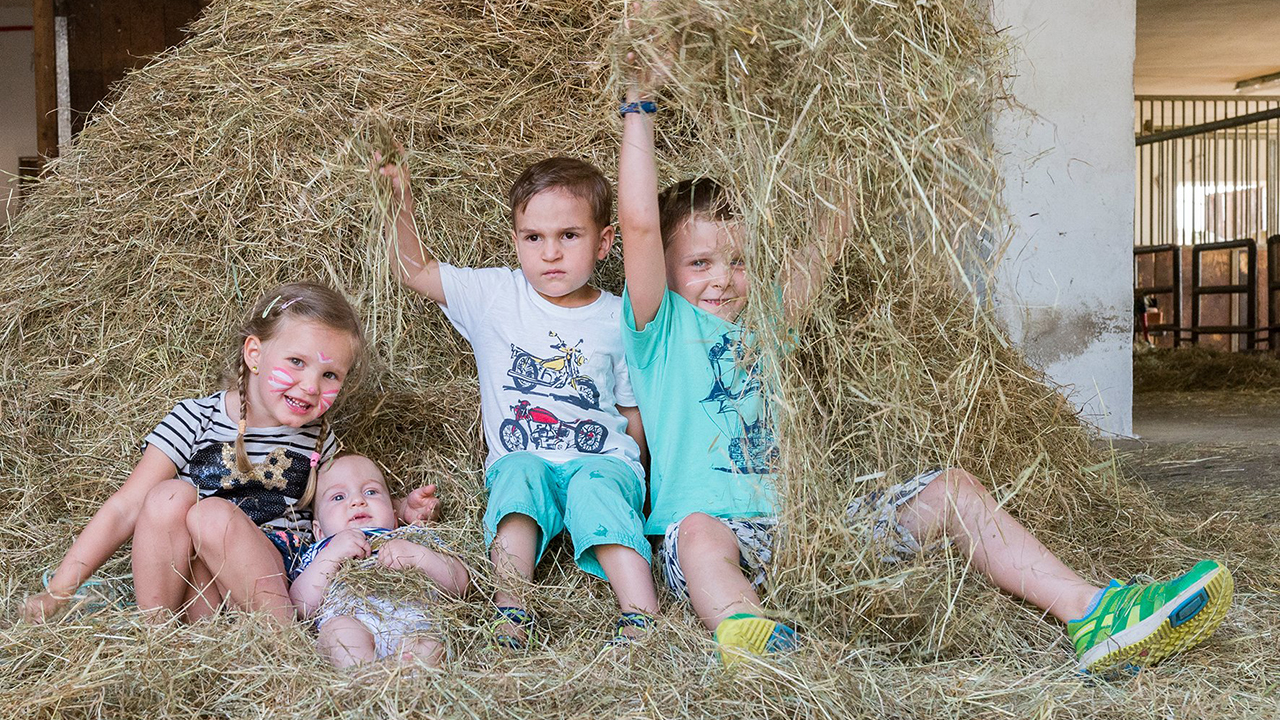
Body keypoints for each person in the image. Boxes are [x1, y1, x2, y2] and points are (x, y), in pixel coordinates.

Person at [615, 63, 1233, 672]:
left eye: (739, 260)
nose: (722, 277)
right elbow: (640, 225)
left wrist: (846, 116)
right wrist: (638, 105)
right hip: (714, 535)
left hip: (810, 535)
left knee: (953, 490)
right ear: (665, 272)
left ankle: (1092, 611)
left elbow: (833, 228)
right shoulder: (659, 330)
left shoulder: (768, 323)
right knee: (697, 532)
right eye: (699, 263)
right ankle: (744, 631)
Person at [22, 282, 439, 624]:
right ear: (254, 354)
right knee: (169, 497)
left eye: (329, 374)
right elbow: (124, 509)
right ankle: (158, 640)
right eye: (296, 362)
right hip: (196, 595)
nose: (311, 386)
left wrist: (399, 509)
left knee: (211, 515)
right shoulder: (195, 418)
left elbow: (343, 502)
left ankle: (283, 646)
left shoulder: (318, 440)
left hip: (270, 589)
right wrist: (57, 592)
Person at [374, 151, 658, 647]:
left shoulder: (618, 317)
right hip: (525, 455)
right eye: (534, 238)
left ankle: (640, 614)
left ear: (604, 242)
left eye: (568, 236)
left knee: (600, 486)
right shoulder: (495, 296)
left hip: (602, 460)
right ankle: (511, 607)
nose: (550, 253)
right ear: (517, 241)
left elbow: (630, 410)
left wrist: (643, 480)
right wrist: (398, 203)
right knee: (518, 475)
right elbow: (414, 270)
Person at [290, 453, 471, 667]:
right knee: (339, 633)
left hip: (416, 626)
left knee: (431, 645)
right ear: (319, 531)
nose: (357, 501)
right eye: (338, 497)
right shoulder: (322, 550)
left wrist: (416, 555)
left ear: (395, 518)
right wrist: (332, 555)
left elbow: (461, 582)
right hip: (352, 622)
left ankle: (410, 680)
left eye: (371, 492)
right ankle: (367, 678)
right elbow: (300, 606)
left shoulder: (411, 536)